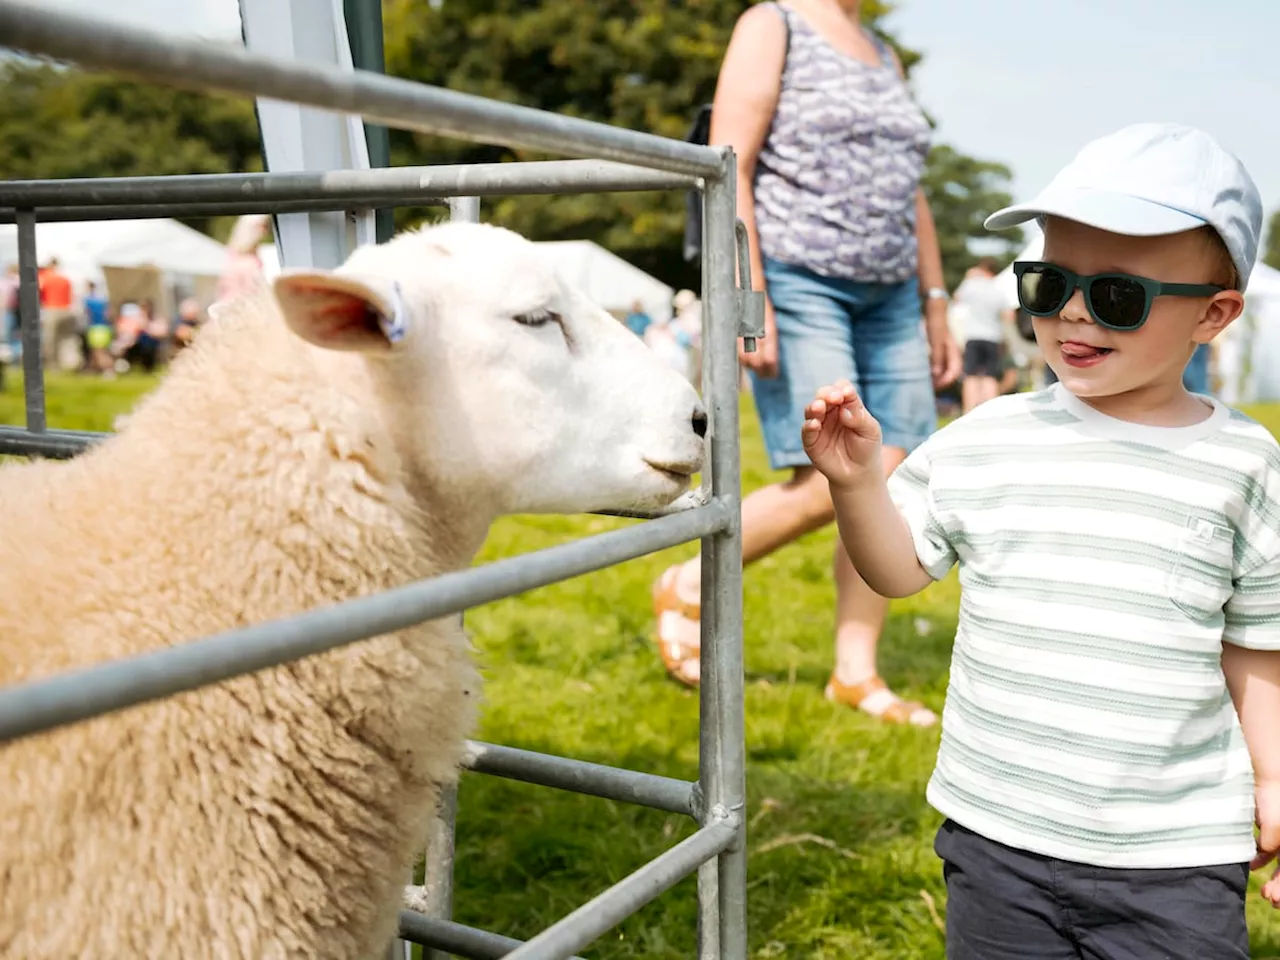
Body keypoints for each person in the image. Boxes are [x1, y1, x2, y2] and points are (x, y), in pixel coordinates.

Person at [803, 123, 1278, 958]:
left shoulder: (1243, 463)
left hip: (1174, 855)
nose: (1071, 313)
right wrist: (856, 484)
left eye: (1118, 295)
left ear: (1213, 314)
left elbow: (1257, 644)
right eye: (1048, 281)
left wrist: (1274, 778)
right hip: (998, 835)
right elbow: (898, 569)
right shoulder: (990, 436)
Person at [649, 0, 961, 725]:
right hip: (798, 275)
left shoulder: (883, 52)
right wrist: (746, 288)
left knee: (897, 475)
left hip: (890, 293)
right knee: (832, 474)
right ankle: (689, 580)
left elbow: (908, 188)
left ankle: (856, 673)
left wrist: (936, 298)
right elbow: (731, 162)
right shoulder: (775, 22)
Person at [952, 256, 1013, 412]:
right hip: (993, 336)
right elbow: (1008, 316)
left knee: (971, 375)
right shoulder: (998, 289)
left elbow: (956, 298)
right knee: (990, 376)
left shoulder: (971, 285)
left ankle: (968, 411)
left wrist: (968, 277)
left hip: (973, 336)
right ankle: (989, 412)